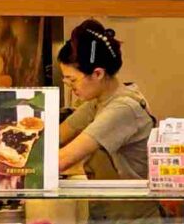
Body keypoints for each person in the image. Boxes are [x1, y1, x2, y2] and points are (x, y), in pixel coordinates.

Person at [53, 19, 154, 179]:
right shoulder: (98, 101)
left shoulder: (122, 109)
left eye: (72, 80)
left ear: (98, 74)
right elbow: (57, 135)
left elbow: (62, 160)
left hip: (131, 202)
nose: (69, 86)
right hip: (110, 201)